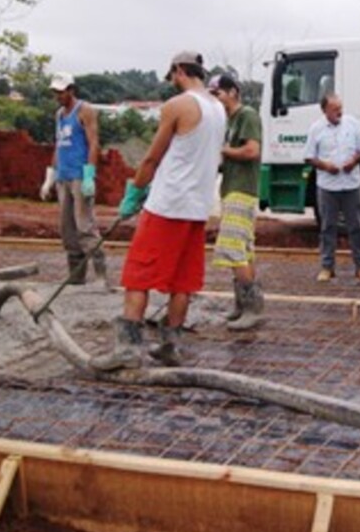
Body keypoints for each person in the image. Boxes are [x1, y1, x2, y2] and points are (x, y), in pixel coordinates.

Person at [92, 51, 226, 370]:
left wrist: (136, 191)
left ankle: (127, 350)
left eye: (173, 76)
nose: (172, 82)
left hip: (167, 205)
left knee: (138, 276)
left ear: (179, 70)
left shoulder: (178, 105)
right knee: (183, 281)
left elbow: (152, 157)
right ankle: (170, 345)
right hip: (196, 207)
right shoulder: (219, 108)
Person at [39, 71, 108, 289]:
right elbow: (59, 145)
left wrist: (89, 176)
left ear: (71, 90)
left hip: (79, 175)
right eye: (55, 92)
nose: (58, 96)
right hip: (64, 176)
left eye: (61, 92)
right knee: (67, 229)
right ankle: (76, 276)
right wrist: (50, 177)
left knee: (84, 226)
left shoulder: (84, 110)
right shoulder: (59, 114)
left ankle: (100, 275)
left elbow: (93, 143)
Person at [208, 73, 265, 330]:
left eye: (217, 93)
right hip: (232, 188)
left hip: (241, 190)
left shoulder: (247, 116)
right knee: (243, 250)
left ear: (232, 92)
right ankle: (244, 305)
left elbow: (252, 150)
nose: (215, 99)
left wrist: (222, 150)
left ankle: (252, 308)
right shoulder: (229, 121)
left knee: (234, 250)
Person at [303, 93, 360, 282]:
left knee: (356, 225)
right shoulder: (316, 129)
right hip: (328, 186)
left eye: (340, 108)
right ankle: (327, 267)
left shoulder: (353, 124)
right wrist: (325, 166)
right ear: (324, 110)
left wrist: (354, 161)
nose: (339, 112)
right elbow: (309, 157)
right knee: (328, 227)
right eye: (335, 109)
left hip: (351, 184)